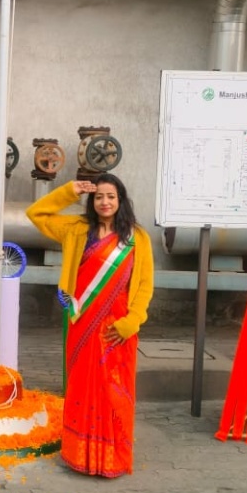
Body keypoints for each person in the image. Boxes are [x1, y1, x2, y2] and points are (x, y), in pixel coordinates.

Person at [26, 174, 154, 477]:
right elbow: (36, 213)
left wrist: (132, 322)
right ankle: (79, 454)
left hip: (117, 327)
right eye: (99, 197)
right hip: (82, 321)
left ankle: (112, 457)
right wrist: (69, 191)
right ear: (91, 201)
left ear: (121, 200)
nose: (105, 202)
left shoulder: (137, 237)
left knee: (113, 391)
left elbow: (145, 285)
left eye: (111, 196)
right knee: (82, 387)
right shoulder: (77, 230)